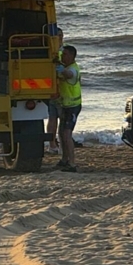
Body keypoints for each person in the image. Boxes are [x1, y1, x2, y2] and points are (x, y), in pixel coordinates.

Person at [55, 44, 82, 172]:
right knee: (61, 133)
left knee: (67, 134)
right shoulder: (66, 66)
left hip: (73, 107)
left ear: (72, 56)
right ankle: (64, 159)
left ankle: (72, 163)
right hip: (65, 106)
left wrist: (59, 69)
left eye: (65, 54)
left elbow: (69, 75)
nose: (63, 57)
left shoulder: (73, 69)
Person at [46, 28, 64, 154]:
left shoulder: (63, 50)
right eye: (58, 36)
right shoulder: (53, 51)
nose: (60, 38)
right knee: (54, 118)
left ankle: (55, 142)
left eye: (61, 35)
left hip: (64, 89)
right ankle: (52, 144)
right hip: (55, 89)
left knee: (59, 118)